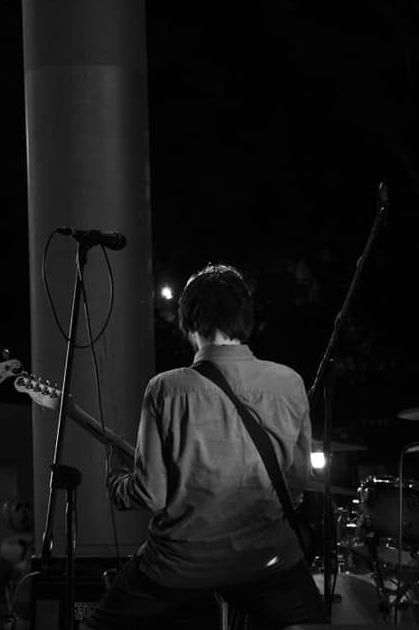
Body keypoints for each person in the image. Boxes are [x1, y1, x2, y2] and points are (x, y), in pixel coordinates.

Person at [81, 263, 327, 630]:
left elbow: (151, 495)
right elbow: (295, 484)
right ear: (245, 318)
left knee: (97, 626)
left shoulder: (166, 389)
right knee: (315, 624)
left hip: (180, 564)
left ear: (190, 322)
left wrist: (117, 477)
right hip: (266, 559)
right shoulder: (289, 383)